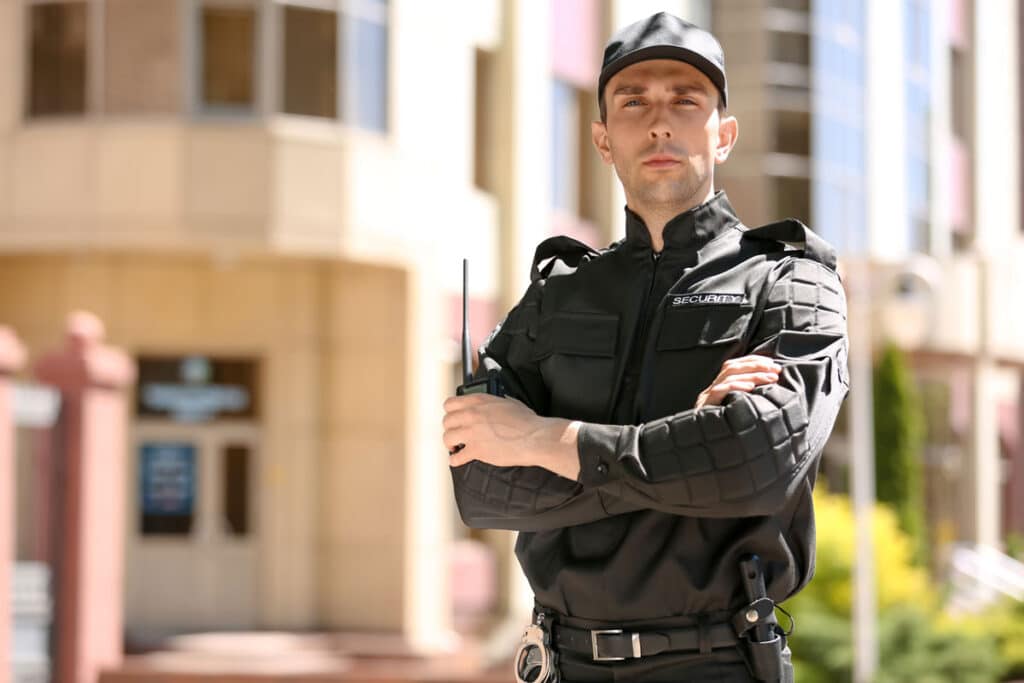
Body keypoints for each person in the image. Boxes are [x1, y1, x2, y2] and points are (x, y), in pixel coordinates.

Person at [443, 12, 849, 683]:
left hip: (719, 663)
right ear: (603, 139)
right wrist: (693, 445)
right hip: (563, 663)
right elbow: (481, 480)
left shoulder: (791, 279)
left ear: (723, 134)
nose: (659, 122)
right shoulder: (556, 293)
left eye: (685, 101)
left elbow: (759, 462)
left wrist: (540, 438)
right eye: (634, 102)